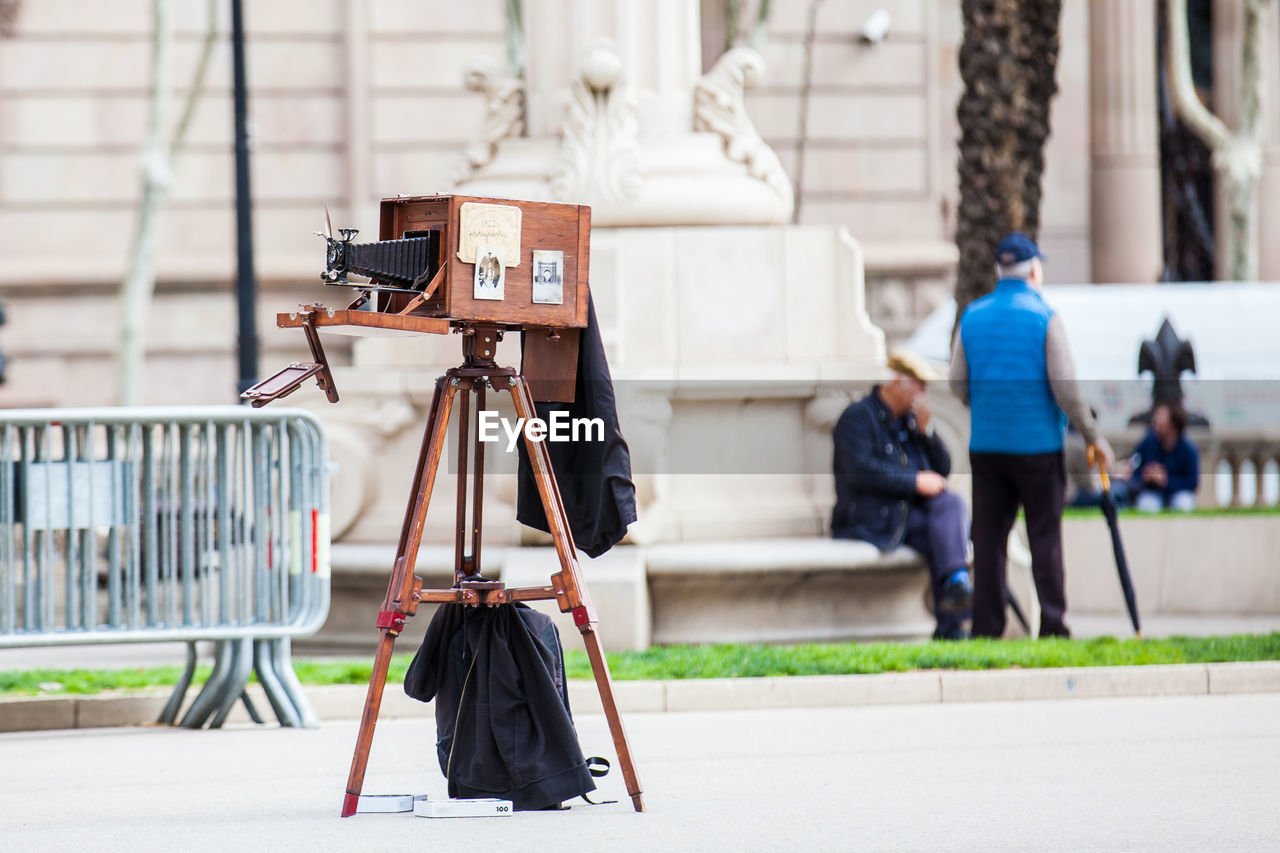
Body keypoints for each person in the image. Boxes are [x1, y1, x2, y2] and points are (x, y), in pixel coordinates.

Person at [949, 232, 1114, 639]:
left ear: (998, 271)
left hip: (987, 448)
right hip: (1039, 447)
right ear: (1034, 270)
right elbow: (1066, 388)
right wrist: (1093, 437)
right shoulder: (1045, 317)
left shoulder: (972, 315)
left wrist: (986, 402)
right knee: (1045, 540)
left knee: (988, 542)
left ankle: (986, 630)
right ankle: (1054, 625)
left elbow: (956, 383)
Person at [832, 349, 973, 640]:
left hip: (910, 515)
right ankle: (952, 621)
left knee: (951, 504)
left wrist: (927, 432)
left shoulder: (911, 422)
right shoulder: (858, 418)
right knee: (942, 534)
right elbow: (861, 470)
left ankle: (957, 588)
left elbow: (941, 471)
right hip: (874, 518)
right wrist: (914, 482)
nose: (922, 393)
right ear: (897, 381)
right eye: (918, 384)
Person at [1128, 399, 1199, 512]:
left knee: (1183, 504)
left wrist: (1166, 480)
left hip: (1178, 494)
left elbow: (1192, 482)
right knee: (1146, 505)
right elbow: (1133, 469)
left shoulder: (1188, 449)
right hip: (1152, 493)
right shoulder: (1148, 442)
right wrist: (1146, 475)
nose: (1155, 420)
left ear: (1173, 423)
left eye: (1160, 417)